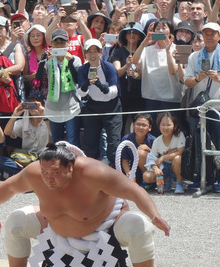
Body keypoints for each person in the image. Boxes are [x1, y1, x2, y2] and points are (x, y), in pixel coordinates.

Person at [0, 143, 171, 267]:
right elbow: (9, 189)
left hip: (105, 226)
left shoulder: (95, 173)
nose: (49, 179)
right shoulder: (34, 173)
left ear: (71, 167)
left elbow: (134, 191)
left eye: (55, 173)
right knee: (16, 220)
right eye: (45, 173)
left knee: (139, 225)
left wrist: (154, 215)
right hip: (54, 228)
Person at [184, 22, 220, 193]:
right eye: (205, 33)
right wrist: (198, 79)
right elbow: (187, 81)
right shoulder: (194, 56)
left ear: (218, 35)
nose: (209, 36)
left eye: (212, 33)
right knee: (200, 143)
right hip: (201, 107)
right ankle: (204, 177)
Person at [77, 38, 122, 167]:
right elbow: (80, 93)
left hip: (112, 108)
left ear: (101, 52)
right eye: (89, 52)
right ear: (85, 54)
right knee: (90, 144)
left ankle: (115, 172)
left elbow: (114, 91)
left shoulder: (109, 67)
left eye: (95, 51)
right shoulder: (82, 70)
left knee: (113, 143)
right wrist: (87, 84)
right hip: (93, 107)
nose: (92, 55)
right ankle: (92, 173)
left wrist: (101, 85)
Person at [36, 29, 82, 146]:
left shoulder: (75, 59)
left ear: (67, 43)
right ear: (52, 44)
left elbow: (78, 80)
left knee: (72, 141)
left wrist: (70, 63)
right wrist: (42, 60)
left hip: (71, 107)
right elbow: (39, 78)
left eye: (62, 42)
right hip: (53, 107)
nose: (59, 45)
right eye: (56, 43)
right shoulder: (49, 61)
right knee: (57, 141)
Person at [0, 93, 52, 178]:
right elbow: (7, 132)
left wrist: (44, 115)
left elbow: (53, 134)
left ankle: (23, 175)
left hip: (43, 159)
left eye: (36, 104)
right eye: (30, 104)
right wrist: (14, 115)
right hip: (25, 159)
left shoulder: (48, 121)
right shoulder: (23, 122)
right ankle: (31, 175)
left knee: (51, 161)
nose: (33, 107)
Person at [143, 112, 185, 194]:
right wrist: (155, 169)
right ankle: (166, 180)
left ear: (175, 126)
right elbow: (151, 157)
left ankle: (179, 182)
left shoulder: (179, 135)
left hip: (177, 166)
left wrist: (163, 157)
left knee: (177, 158)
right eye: (163, 125)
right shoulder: (157, 141)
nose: (165, 127)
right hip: (164, 167)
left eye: (169, 125)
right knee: (146, 176)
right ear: (159, 126)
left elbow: (180, 151)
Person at [121, 113, 156, 187]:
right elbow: (124, 160)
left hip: (149, 170)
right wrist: (128, 172)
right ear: (133, 126)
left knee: (140, 152)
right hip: (133, 170)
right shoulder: (126, 139)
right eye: (138, 124)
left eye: (144, 125)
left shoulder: (153, 140)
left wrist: (149, 150)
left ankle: (147, 182)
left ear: (149, 127)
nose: (140, 127)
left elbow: (157, 159)